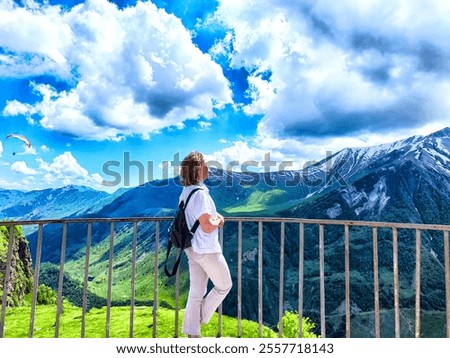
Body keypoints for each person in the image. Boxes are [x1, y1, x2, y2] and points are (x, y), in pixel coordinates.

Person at [179, 151, 232, 338]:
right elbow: (208, 226)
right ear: (198, 169)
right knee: (224, 286)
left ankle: (193, 334)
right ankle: (199, 318)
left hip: (192, 248)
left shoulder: (185, 192)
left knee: (197, 291)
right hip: (206, 249)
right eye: (205, 164)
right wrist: (220, 219)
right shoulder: (200, 194)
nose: (208, 167)